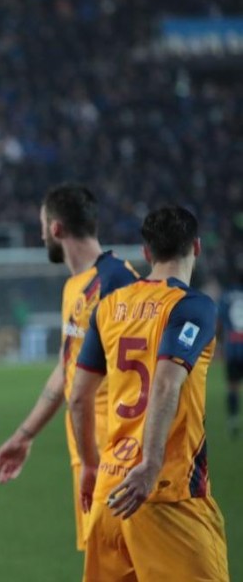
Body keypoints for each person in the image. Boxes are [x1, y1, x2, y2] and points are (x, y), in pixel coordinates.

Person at [68, 205, 229, 581]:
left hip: (109, 493)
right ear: (197, 248)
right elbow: (166, 382)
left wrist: (90, 466)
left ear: (146, 253)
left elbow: (78, 397)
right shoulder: (193, 307)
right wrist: (151, 465)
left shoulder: (108, 306)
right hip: (164, 493)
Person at [0, 184, 139, 551]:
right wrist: (25, 434)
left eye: (42, 226)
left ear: (56, 228)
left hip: (115, 456)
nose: (41, 235)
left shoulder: (118, 281)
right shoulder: (76, 286)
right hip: (89, 454)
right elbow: (68, 366)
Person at [218, 272, 243, 438]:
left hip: (233, 347)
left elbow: (219, 322)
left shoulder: (225, 297)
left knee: (232, 387)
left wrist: (220, 343)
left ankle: (233, 421)